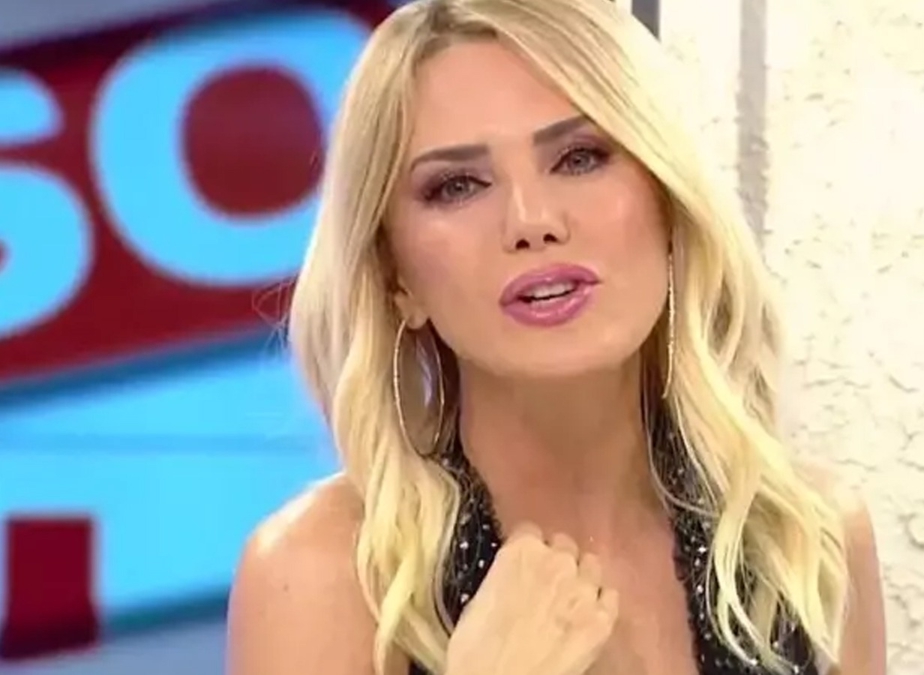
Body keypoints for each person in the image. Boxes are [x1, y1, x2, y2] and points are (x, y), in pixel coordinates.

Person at [226, 0, 886, 673]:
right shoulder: (318, 577)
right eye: (458, 185)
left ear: (667, 204)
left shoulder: (808, 543)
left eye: (579, 157)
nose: (532, 219)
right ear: (397, 278)